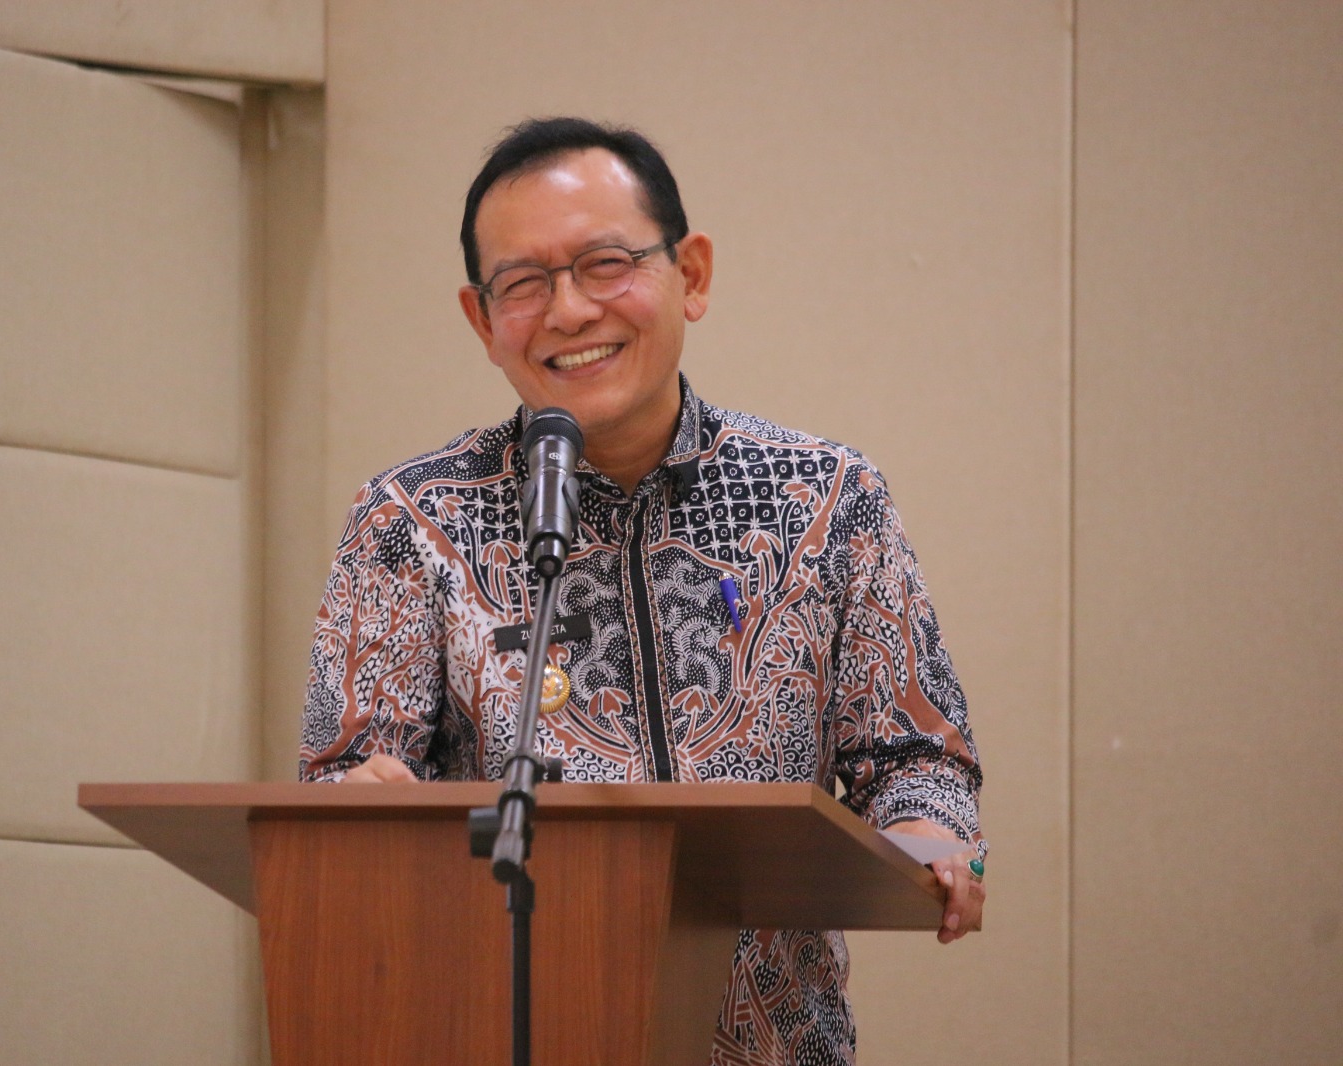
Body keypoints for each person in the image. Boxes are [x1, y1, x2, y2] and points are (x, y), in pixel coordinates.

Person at [299, 116, 985, 1065]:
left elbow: (915, 753)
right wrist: (355, 804)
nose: (569, 311)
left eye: (605, 264)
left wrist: (933, 837)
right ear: (482, 320)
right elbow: (342, 789)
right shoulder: (411, 521)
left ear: (690, 275)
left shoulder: (827, 497)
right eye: (523, 284)